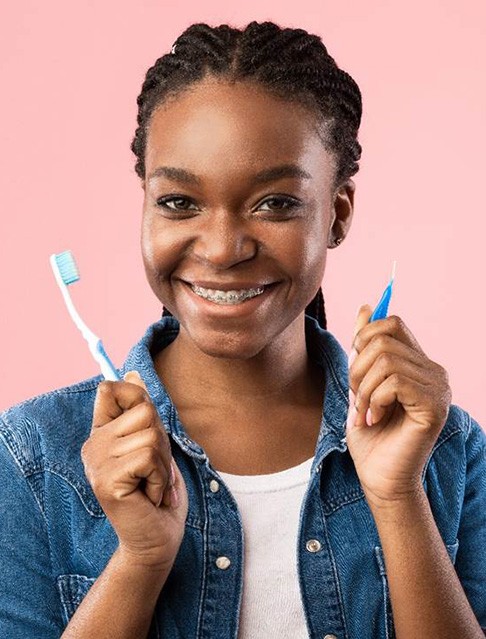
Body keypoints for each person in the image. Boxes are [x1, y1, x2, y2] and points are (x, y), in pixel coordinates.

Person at [0, 20, 484, 639]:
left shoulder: (446, 451)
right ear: (146, 202)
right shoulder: (34, 458)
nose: (224, 249)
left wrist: (397, 500)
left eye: (275, 203)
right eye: (179, 203)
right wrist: (140, 562)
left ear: (337, 214)